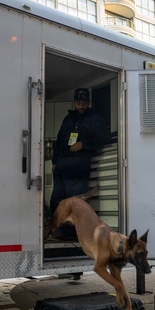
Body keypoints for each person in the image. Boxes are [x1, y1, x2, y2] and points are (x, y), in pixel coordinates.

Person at [49, 87, 110, 222]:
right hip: (62, 164)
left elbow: (104, 139)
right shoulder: (68, 119)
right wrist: (54, 161)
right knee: (57, 198)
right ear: (74, 103)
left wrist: (84, 144)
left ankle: (73, 232)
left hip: (79, 165)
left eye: (83, 103)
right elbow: (59, 141)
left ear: (88, 103)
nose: (80, 106)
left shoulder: (95, 119)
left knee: (75, 200)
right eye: (78, 103)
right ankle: (56, 229)